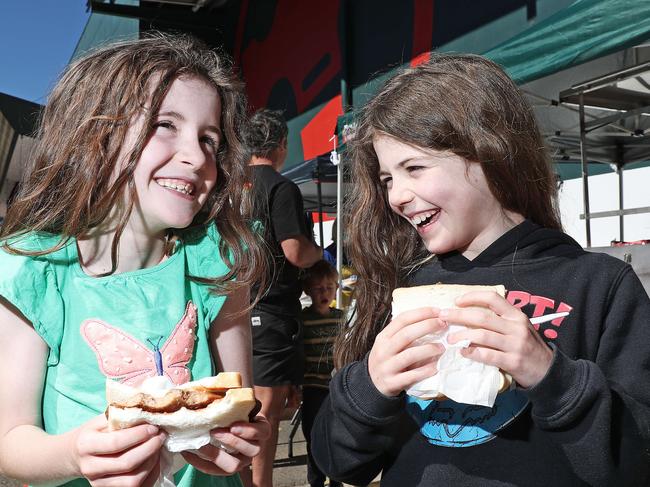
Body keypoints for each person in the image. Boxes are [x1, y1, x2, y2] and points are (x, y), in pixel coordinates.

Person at [311, 54, 650, 487]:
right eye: (387, 179)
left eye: (414, 168)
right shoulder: (406, 290)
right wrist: (370, 386)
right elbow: (339, 463)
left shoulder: (598, 285)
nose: (397, 196)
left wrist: (551, 376)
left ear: (490, 151)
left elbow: (637, 462)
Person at [0, 33, 271, 487]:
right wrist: (73, 454)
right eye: (166, 125)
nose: (196, 156)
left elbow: (238, 402)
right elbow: (10, 441)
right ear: (94, 136)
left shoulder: (217, 264)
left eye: (209, 138)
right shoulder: (35, 270)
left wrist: (242, 440)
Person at [243, 109, 322, 487]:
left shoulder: (231, 188)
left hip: (232, 308)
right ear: (280, 146)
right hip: (271, 310)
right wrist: (320, 254)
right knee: (265, 415)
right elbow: (294, 251)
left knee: (237, 411)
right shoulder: (281, 188)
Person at [300, 261, 343, 487]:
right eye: (318, 288)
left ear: (336, 288)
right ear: (308, 290)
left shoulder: (341, 317)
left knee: (335, 436)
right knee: (314, 436)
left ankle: (336, 479)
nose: (324, 292)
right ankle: (315, 480)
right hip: (313, 389)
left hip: (335, 388)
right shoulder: (304, 319)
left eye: (329, 287)